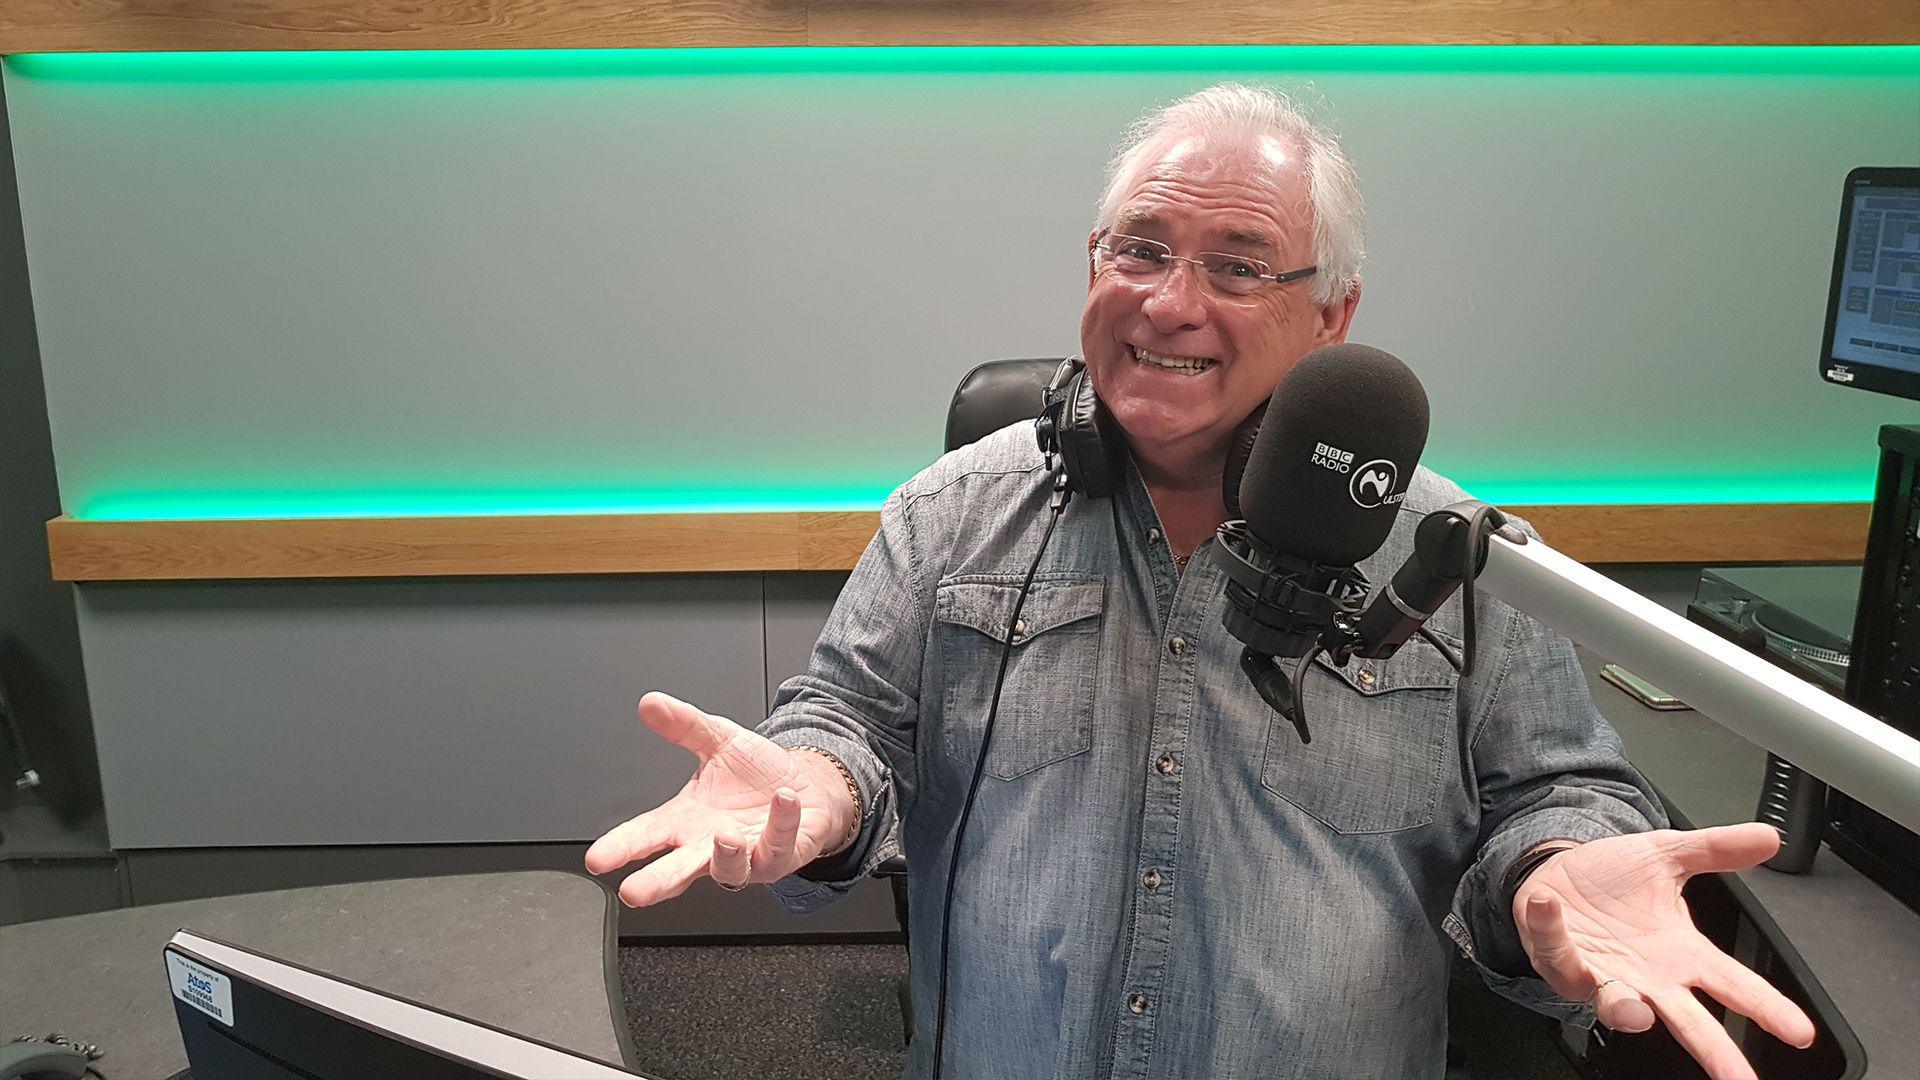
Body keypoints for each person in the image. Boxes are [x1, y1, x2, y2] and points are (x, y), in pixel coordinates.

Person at [586, 83, 1816, 1080]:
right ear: (1094, 261)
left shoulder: (1453, 556)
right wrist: (816, 786)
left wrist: (1561, 861)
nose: (1171, 303)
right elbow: (846, 724)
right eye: (1144, 250)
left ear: (1334, 315)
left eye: (1240, 267)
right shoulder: (950, 514)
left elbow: (1558, 789)